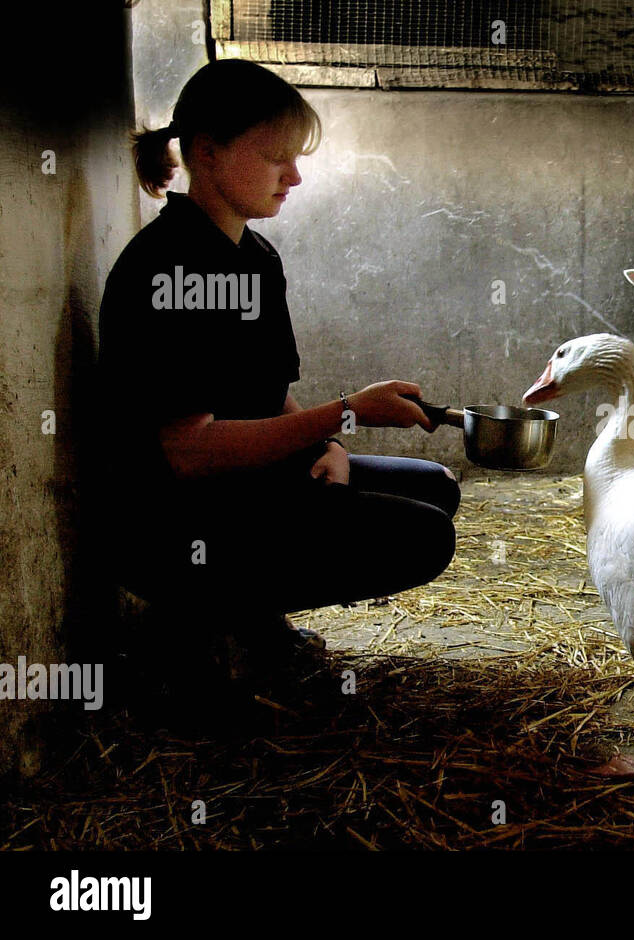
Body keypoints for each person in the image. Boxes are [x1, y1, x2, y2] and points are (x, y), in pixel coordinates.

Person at [96, 59, 457, 664]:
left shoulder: (255, 255)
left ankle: (249, 615)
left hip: (240, 485)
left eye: (298, 160)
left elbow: (270, 393)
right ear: (206, 153)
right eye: (275, 158)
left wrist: (331, 444)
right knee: (423, 536)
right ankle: (201, 626)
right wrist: (344, 411)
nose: (293, 177)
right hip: (174, 518)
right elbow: (188, 452)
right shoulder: (171, 267)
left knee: (436, 488)